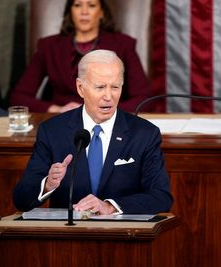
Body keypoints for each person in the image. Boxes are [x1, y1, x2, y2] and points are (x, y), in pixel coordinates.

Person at [12, 49, 173, 215]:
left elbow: (161, 196)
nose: (108, 96)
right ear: (81, 88)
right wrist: (47, 184)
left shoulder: (144, 134)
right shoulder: (52, 131)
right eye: (100, 87)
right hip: (68, 236)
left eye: (115, 87)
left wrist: (110, 207)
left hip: (124, 235)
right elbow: (21, 200)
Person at [9, 0, 151, 114]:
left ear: (102, 12)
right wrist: (57, 110)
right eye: (77, 5)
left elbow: (144, 98)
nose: (84, 12)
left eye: (91, 5)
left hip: (110, 123)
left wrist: (109, 111)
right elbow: (19, 97)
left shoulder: (123, 44)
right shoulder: (48, 46)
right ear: (70, 12)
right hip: (65, 122)